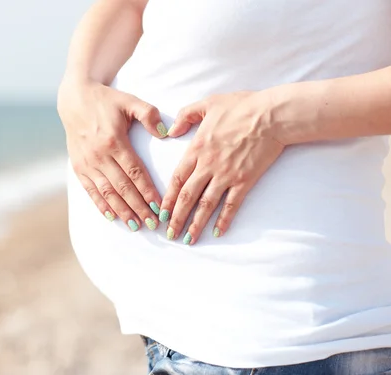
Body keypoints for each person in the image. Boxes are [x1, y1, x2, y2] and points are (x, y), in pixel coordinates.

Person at [57, 1, 391, 374]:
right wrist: (78, 85)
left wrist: (272, 119)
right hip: (185, 330)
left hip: (277, 336)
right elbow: (130, 6)